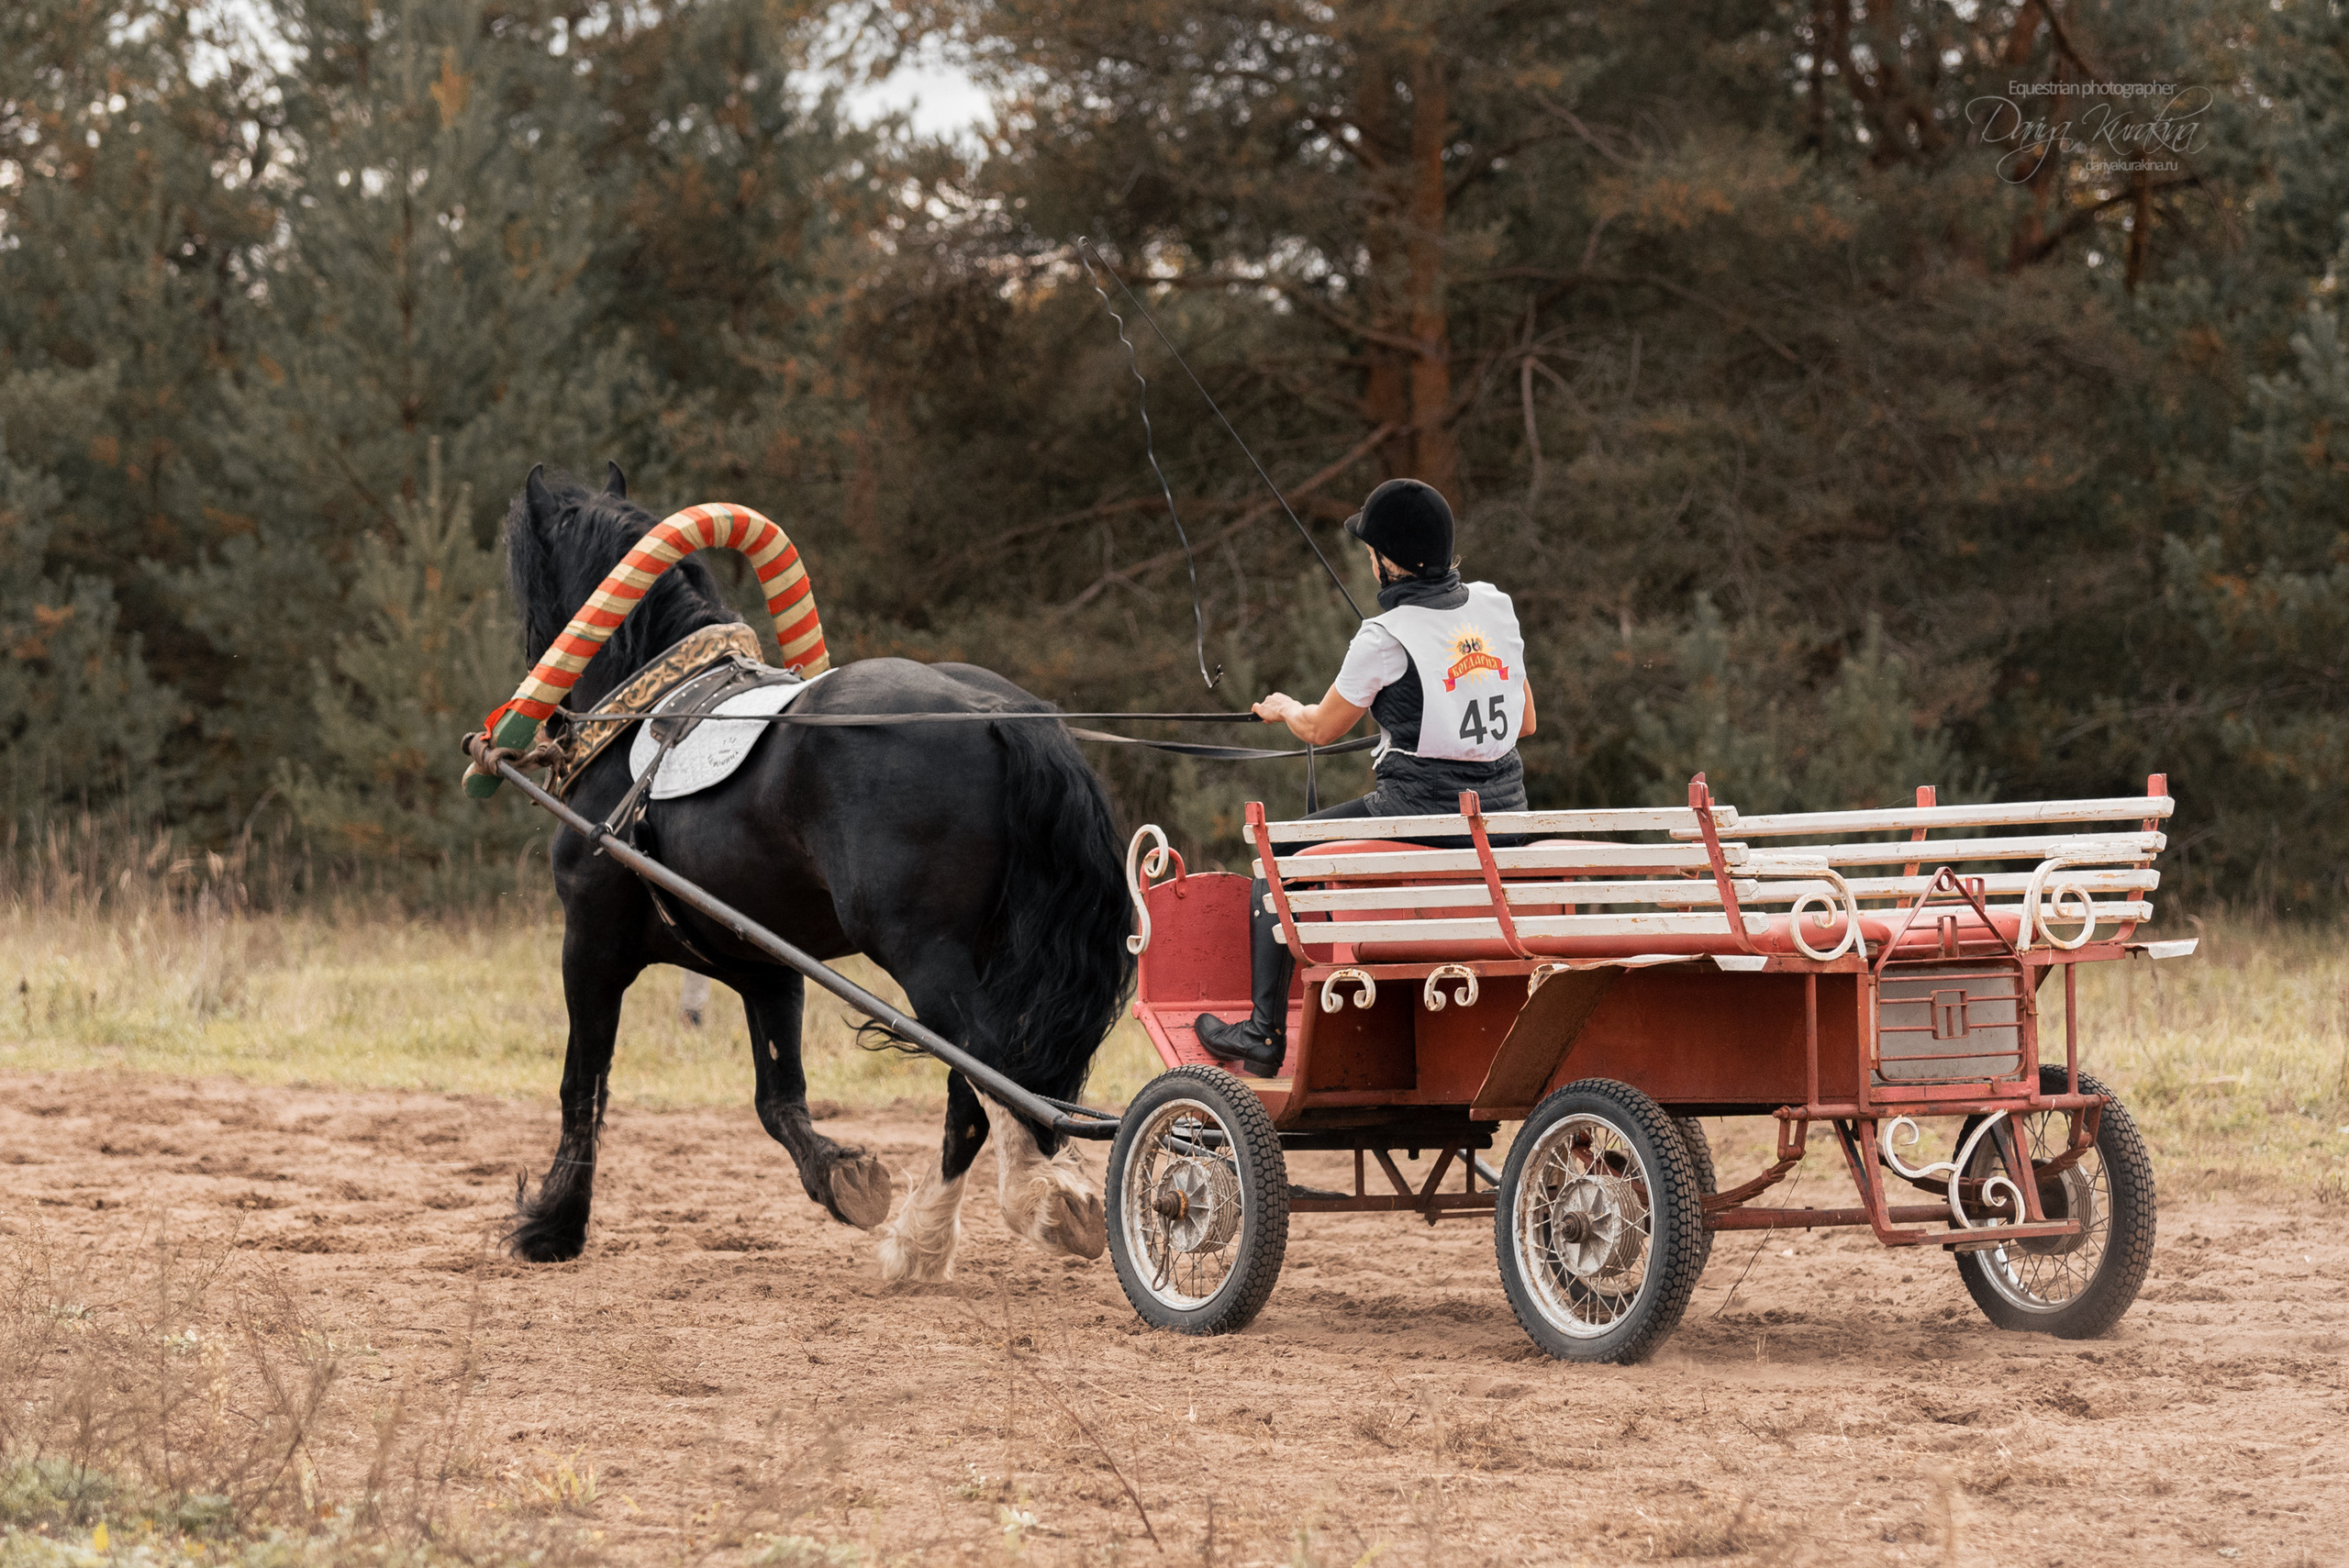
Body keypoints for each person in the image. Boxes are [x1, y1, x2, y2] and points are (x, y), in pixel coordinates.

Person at [1194, 478, 1535, 1078]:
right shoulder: (1493, 607)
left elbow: (1320, 729)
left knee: (1277, 858)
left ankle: (1261, 1033)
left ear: (1389, 561)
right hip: (1506, 819)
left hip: (1427, 819)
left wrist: (1283, 709)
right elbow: (1524, 721)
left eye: (1373, 551)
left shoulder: (1383, 637)